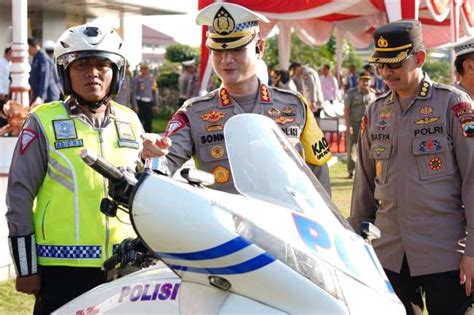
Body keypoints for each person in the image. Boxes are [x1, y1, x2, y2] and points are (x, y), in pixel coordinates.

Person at [6, 23, 143, 314]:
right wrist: (26, 267)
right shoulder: (42, 121)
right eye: (81, 64)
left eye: (102, 64)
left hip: (126, 265)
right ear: (65, 72)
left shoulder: (131, 121)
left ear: (116, 72)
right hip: (61, 270)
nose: (92, 72)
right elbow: (18, 197)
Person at [348, 20, 474, 314]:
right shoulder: (376, 110)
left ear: (419, 58)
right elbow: (363, 186)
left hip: (445, 254)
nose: (385, 72)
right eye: (381, 65)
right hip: (389, 254)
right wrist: (355, 242)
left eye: (394, 64)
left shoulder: (453, 105)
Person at [141, 2, 332, 194]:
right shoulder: (193, 113)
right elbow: (165, 161)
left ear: (259, 47)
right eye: (218, 51)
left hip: (286, 222)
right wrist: (151, 154)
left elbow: (319, 173)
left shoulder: (296, 106)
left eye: (237, 49)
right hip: (223, 223)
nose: (226, 59)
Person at [343, 72, 376, 179]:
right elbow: (346, 110)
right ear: (359, 81)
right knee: (352, 148)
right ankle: (351, 171)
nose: (366, 82)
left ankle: (366, 171)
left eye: (368, 80)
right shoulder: (352, 93)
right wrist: (348, 126)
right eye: (363, 80)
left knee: (368, 148)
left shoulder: (372, 93)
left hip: (368, 125)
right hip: (354, 124)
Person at [28, 37, 60, 106]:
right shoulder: (36, 57)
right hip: (41, 96)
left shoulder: (43, 58)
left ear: (31, 46)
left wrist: (41, 96)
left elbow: (44, 78)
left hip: (48, 96)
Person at [131, 63, 159, 132]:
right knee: (138, 122)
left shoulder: (152, 79)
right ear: (140, 69)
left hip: (149, 103)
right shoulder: (136, 79)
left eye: (146, 69)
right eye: (143, 69)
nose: (145, 70)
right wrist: (135, 105)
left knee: (148, 121)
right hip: (140, 102)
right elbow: (133, 93)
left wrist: (156, 105)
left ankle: (148, 137)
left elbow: (155, 92)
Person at [0, 46, 12, 127]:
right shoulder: (1, 63)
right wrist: (1, 91)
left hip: (6, 91)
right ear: (6, 53)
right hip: (2, 91)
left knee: (4, 109)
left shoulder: (8, 63)